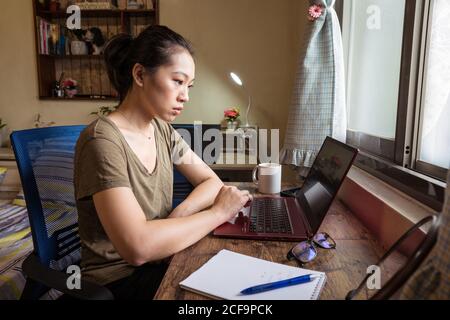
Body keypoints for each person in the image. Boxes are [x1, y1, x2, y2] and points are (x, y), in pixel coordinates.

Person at [73, 25, 252, 299]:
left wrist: (178, 216)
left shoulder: (163, 131)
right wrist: (218, 213)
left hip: (162, 259)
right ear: (140, 74)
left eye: (189, 86)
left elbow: (209, 181)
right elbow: (138, 248)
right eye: (178, 81)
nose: (185, 96)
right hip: (118, 282)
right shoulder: (102, 142)